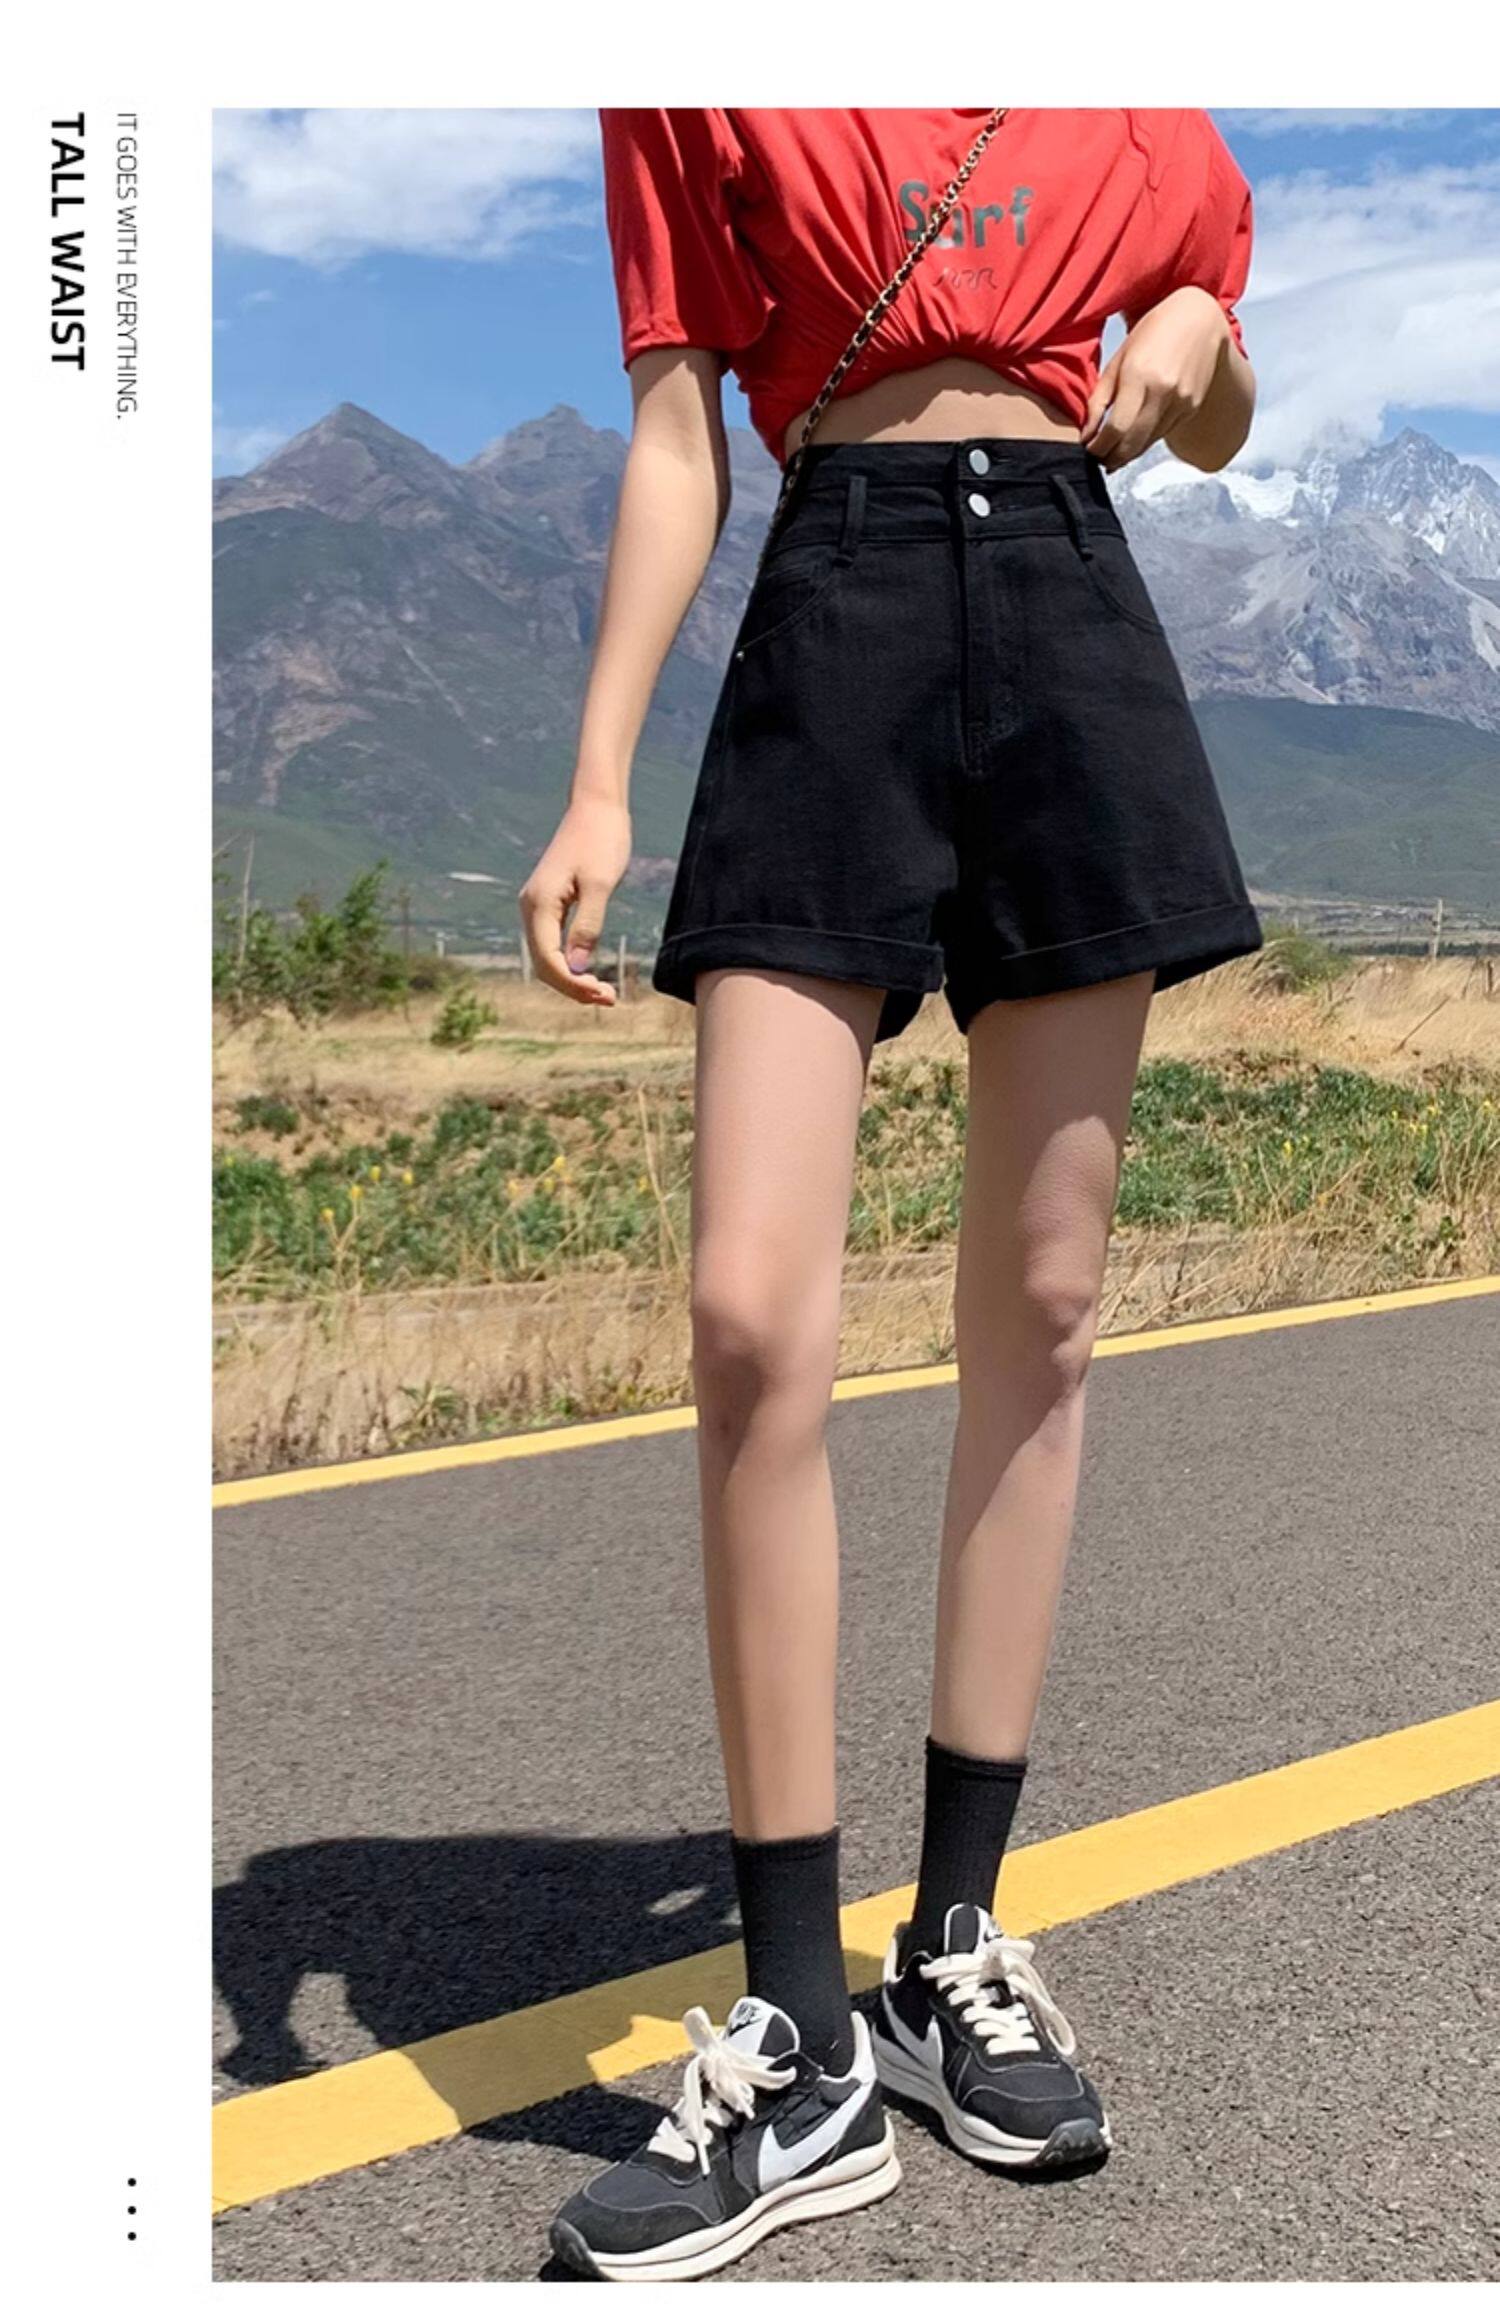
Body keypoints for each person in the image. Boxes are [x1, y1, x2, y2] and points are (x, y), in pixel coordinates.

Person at [522, 107, 1263, 2283]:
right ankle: (798, 2032)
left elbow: (1214, 409)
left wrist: (1201, 335)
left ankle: (951, 1943)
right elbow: (680, 425)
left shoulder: (1142, 106)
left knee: (1044, 1302)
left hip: (1067, 604)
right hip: (830, 598)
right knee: (751, 1319)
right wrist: (597, 774)